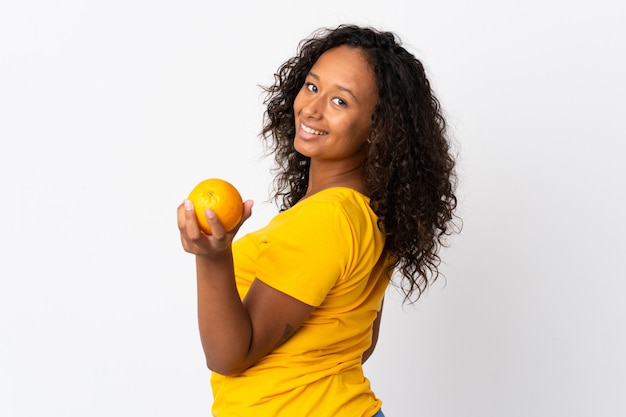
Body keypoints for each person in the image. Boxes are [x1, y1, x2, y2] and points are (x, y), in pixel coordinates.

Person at [177, 24, 458, 417]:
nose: (312, 108)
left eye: (340, 102)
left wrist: (211, 258)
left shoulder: (326, 219)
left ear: (379, 130)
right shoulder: (367, 213)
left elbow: (229, 355)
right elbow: (358, 343)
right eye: (312, 87)